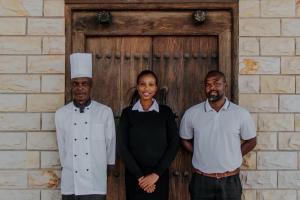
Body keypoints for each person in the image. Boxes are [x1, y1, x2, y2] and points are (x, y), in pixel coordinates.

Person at [180, 70, 256, 200]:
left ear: (225, 86)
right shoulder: (192, 113)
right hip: (201, 180)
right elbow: (184, 139)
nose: (212, 88)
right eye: (208, 84)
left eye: (216, 83)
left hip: (230, 181)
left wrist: (234, 154)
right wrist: (199, 152)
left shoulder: (240, 114)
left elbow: (251, 141)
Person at [55, 53, 116, 200]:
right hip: (71, 181)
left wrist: (105, 168)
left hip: (95, 180)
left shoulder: (104, 112)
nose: (80, 88)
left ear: (91, 86)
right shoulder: (61, 114)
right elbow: (62, 148)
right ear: (71, 86)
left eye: (84, 84)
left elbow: (110, 144)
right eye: (76, 84)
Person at [118, 70, 179, 200]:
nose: (146, 88)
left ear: (156, 88)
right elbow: (122, 146)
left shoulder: (165, 113)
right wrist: (140, 177)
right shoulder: (127, 113)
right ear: (137, 86)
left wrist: (156, 174)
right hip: (135, 178)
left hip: (159, 177)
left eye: (151, 84)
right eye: (142, 84)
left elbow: (174, 144)